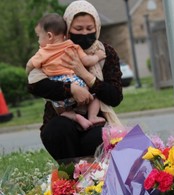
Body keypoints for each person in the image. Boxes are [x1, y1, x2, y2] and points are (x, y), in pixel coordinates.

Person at [27, 0, 123, 163]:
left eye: (89, 28)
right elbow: (35, 85)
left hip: (96, 119)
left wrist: (85, 75)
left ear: (97, 27)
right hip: (62, 116)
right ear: (67, 28)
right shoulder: (52, 50)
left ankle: (94, 180)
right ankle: (69, 179)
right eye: (78, 29)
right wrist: (71, 89)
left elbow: (114, 97)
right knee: (58, 130)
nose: (85, 33)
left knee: (98, 137)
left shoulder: (105, 53)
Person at [26, 13, 106, 130]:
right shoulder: (72, 46)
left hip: (59, 89)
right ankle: (92, 116)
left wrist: (28, 71)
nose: (38, 41)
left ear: (49, 36)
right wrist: (98, 56)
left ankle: (73, 116)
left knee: (56, 104)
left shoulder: (43, 52)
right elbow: (87, 61)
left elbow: (29, 65)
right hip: (77, 83)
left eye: (39, 36)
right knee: (95, 96)